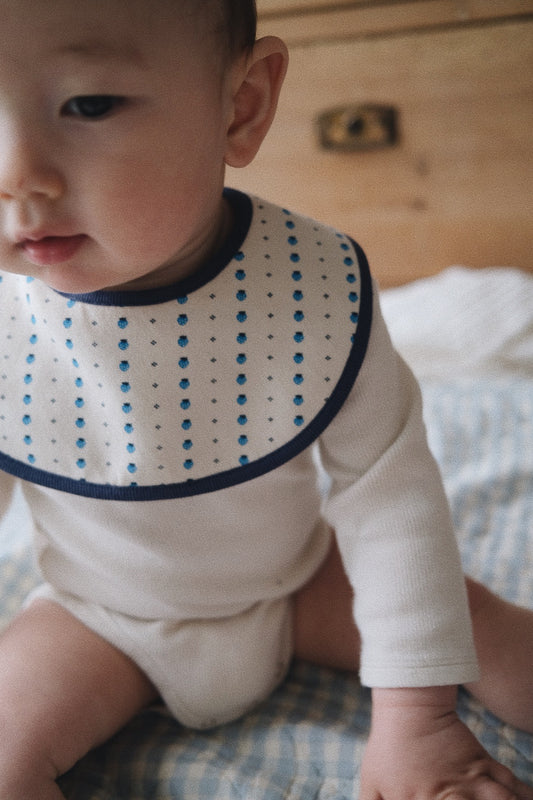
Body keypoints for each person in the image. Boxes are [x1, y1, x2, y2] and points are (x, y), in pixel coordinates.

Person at [0, 1, 531, 798]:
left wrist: (415, 720)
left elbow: (391, 500)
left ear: (239, 107)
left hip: (300, 586)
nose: (16, 173)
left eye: (89, 104)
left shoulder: (314, 287)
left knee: (485, 633)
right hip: (97, 620)